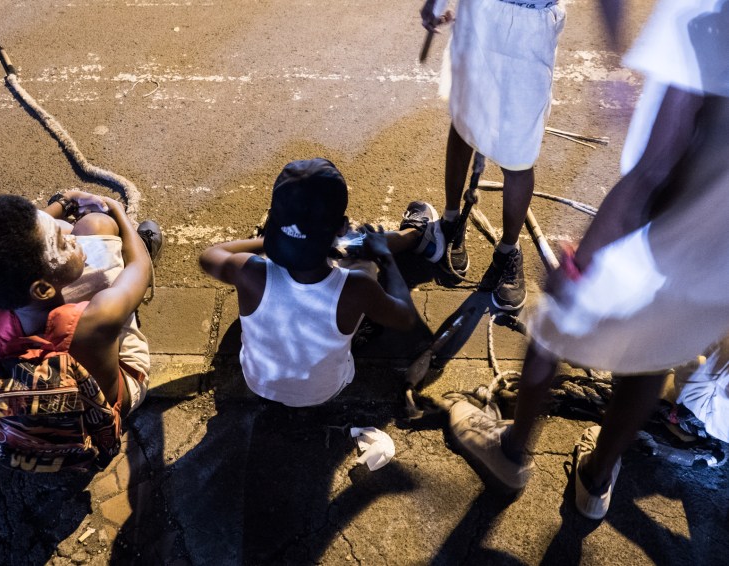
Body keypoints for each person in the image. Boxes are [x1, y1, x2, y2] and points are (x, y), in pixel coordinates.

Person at [448, 0, 729, 520]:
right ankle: (596, 481)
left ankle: (510, 453)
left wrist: (580, 269)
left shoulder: (708, 18)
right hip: (717, 271)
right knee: (653, 357)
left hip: (656, 240)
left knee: (552, 324)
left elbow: (655, 170)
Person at [199, 158, 423, 407]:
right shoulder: (358, 287)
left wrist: (274, 239)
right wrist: (385, 257)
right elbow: (405, 318)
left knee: (260, 289)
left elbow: (209, 256)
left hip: (258, 383)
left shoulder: (246, 271)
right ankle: (419, 235)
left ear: (274, 220)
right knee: (365, 265)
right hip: (324, 392)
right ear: (342, 227)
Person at [0, 189, 162, 421]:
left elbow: (7, 246)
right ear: (42, 289)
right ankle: (138, 241)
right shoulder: (98, 315)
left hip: (40, 404)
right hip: (106, 407)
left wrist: (65, 202)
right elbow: (138, 266)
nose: (70, 237)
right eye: (62, 243)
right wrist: (119, 213)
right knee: (100, 228)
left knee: (79, 229)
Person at [418, 0, 566, 310]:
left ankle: (507, 251)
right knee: (463, 125)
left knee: (519, 155)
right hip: (481, 14)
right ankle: (450, 221)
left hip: (532, 24)